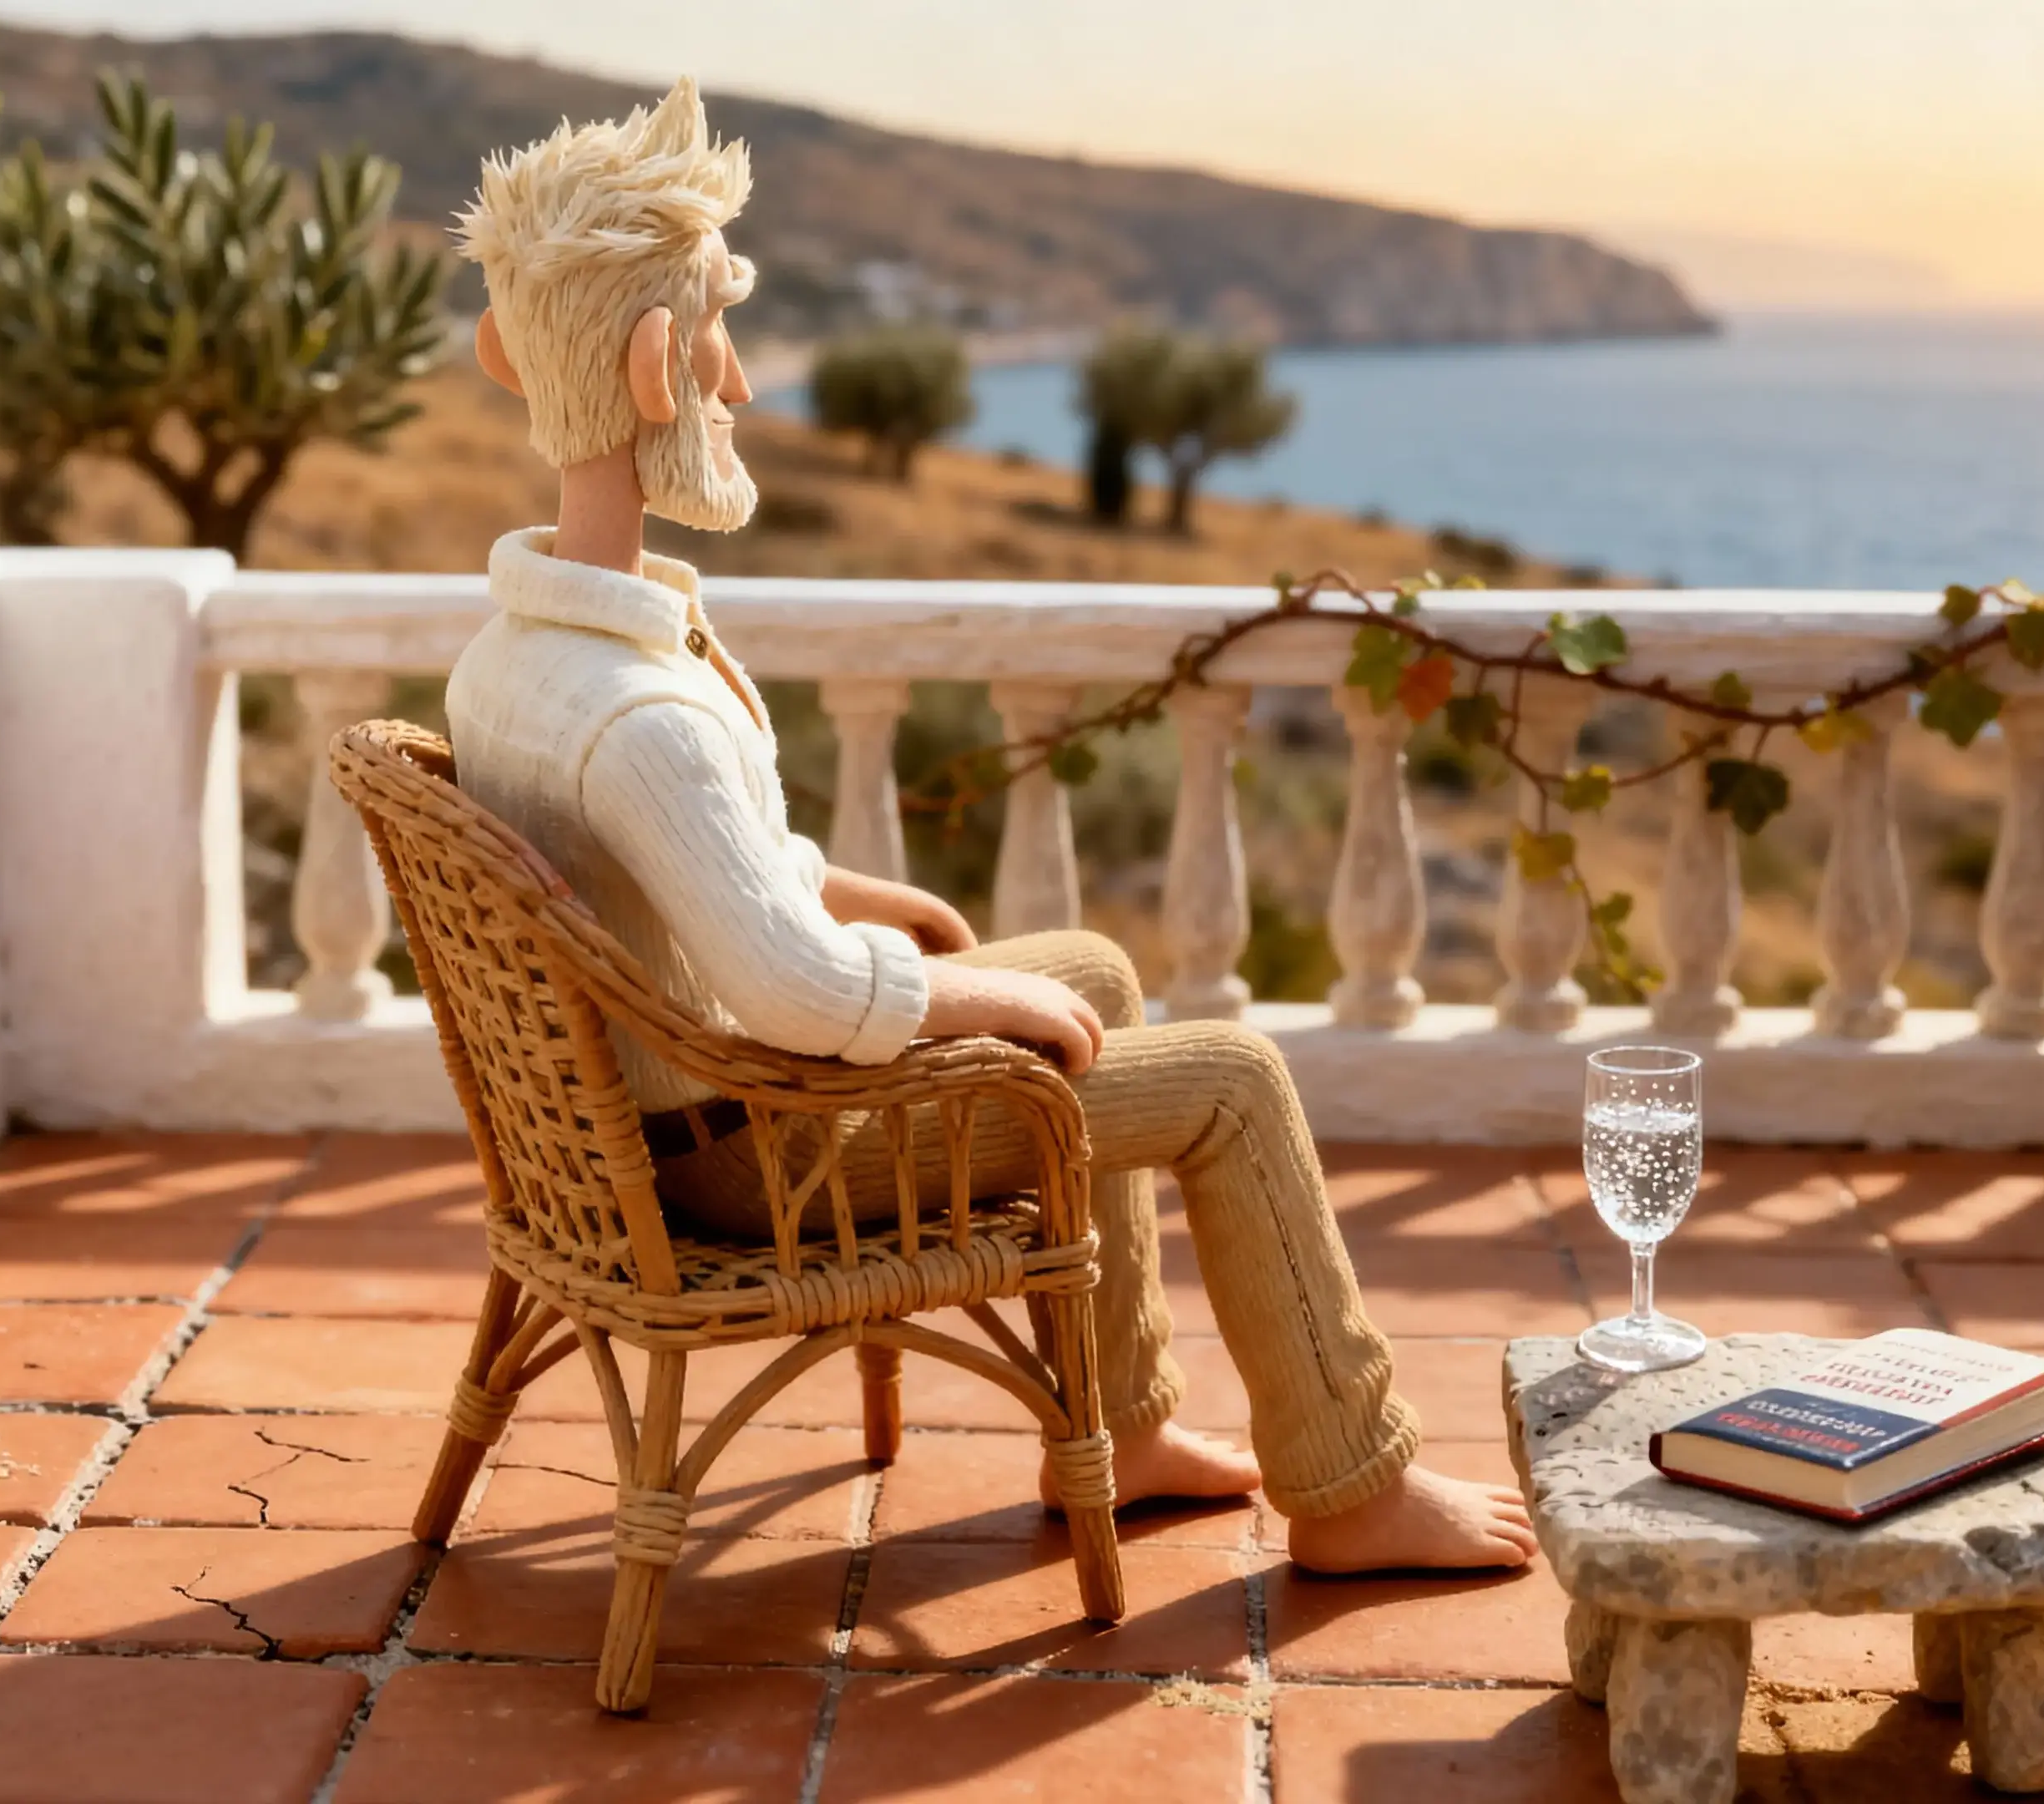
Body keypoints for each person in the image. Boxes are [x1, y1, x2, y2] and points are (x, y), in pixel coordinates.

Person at [442, 81, 1533, 1573]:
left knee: (1090, 964)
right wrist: (970, 993)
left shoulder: (514, 659)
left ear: (509, 353)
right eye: (714, 343)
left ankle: (1129, 1425)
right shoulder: (642, 711)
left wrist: (868, 898)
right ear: (651, 371)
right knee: (1231, 1074)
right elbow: (798, 992)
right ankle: (1351, 1492)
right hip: (748, 1156)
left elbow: (678, 873)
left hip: (640, 1116)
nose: (743, 386)